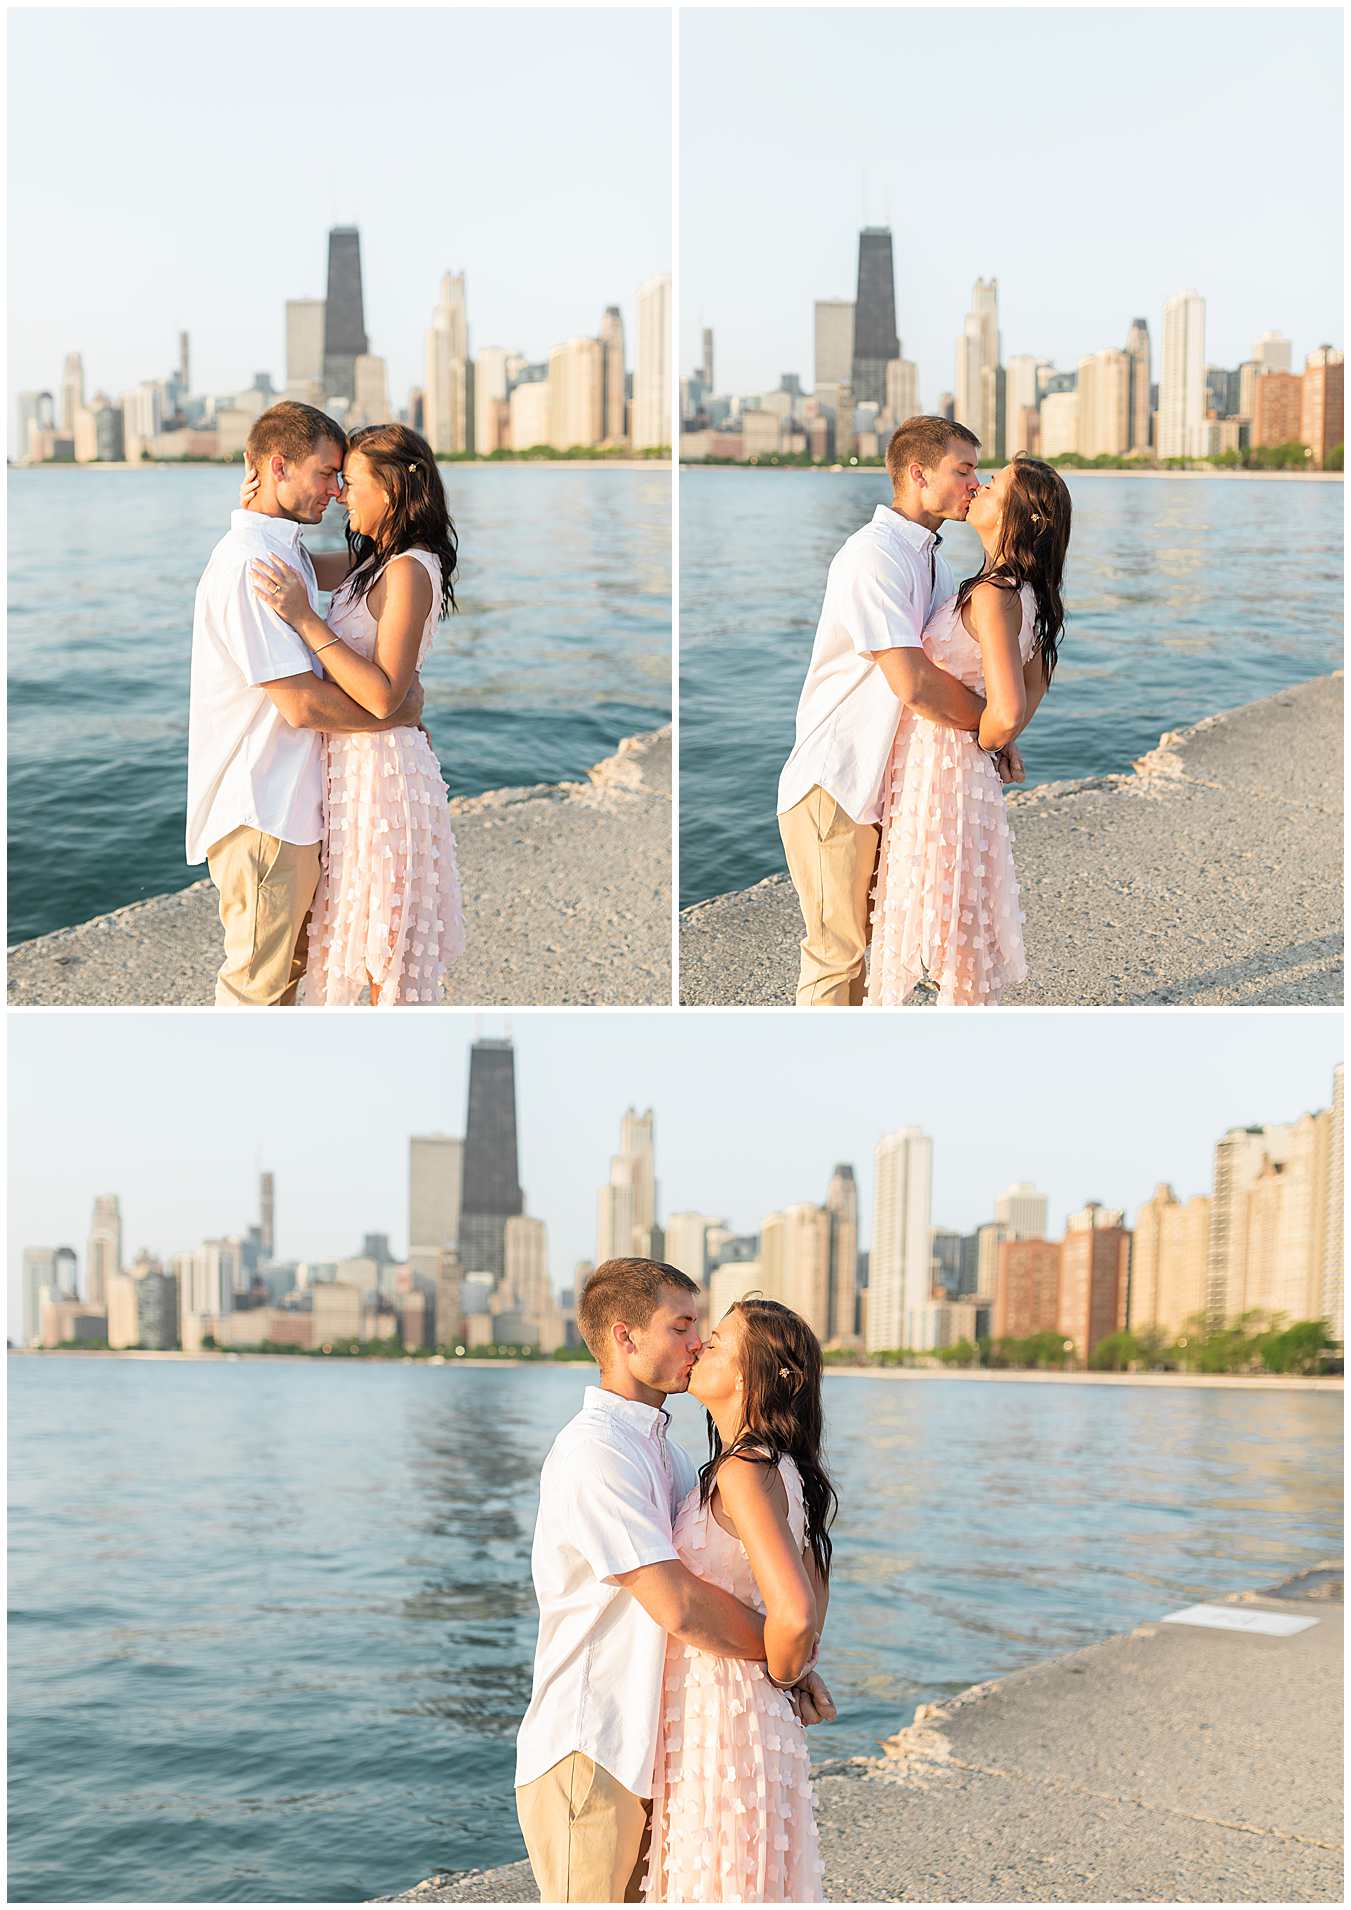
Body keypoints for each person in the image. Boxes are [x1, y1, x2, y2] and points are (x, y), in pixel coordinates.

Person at [514, 1260, 834, 1904]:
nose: (695, 1343)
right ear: (625, 1337)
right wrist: (787, 1660)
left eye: (703, 1332)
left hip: (670, 1741)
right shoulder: (595, 1451)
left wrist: (791, 1656)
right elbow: (680, 1604)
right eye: (682, 1326)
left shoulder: (675, 1456)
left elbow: (741, 1585)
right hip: (596, 1743)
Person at [776, 416, 1023, 1008]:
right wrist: (990, 726)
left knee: (878, 948)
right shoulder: (872, 556)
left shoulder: (934, 563)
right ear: (918, 473)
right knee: (837, 956)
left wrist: (997, 731)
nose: (974, 483)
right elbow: (913, 682)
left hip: (889, 784)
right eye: (962, 470)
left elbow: (950, 673)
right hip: (838, 780)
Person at [186, 402, 424, 1006]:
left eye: (344, 478)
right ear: (278, 466)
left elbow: (375, 564)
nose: (336, 491)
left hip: (292, 804)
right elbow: (300, 705)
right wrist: (396, 710)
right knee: (257, 989)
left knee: (289, 977)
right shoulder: (251, 566)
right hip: (264, 808)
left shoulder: (283, 550)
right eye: (325, 474)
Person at [248, 421, 465, 1005]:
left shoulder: (409, 570)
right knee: (353, 936)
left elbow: (384, 695)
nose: (340, 494)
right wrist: (257, 512)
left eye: (351, 481)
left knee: (381, 950)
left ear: (390, 489)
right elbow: (291, 560)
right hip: (354, 770)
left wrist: (305, 619)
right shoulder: (374, 561)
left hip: (384, 775)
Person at [644, 1297, 835, 1904]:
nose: (700, 1346)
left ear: (753, 1375)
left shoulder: (745, 1469)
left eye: (719, 1342)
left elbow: (797, 1616)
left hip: (724, 1714)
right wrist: (791, 1674)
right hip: (744, 1711)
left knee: (717, 1881)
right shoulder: (785, 1470)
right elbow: (811, 1604)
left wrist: (782, 1674)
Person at [868, 452, 1072, 1005]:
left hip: (945, 771)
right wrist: (999, 741)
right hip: (956, 769)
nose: (979, 486)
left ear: (1017, 516)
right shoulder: (1024, 592)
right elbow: (1034, 686)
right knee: (957, 924)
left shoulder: (992, 593)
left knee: (947, 926)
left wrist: (985, 741)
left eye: (995, 484)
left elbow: (1007, 708)